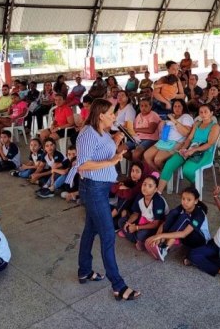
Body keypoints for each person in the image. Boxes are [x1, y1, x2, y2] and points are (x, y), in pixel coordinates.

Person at [71, 99, 140, 301]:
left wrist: (117, 141)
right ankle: (118, 285)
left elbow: (101, 151)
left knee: (90, 230)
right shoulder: (87, 135)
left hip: (100, 188)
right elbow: (83, 165)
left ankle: (84, 270)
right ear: (100, 115)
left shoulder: (102, 131)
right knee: (108, 235)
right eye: (111, 113)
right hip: (93, 189)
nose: (114, 116)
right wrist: (111, 161)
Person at [157, 104, 220, 194]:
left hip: (204, 153)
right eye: (201, 112)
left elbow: (209, 144)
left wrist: (193, 150)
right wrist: (183, 149)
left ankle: (196, 184)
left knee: (187, 170)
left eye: (206, 112)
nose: (203, 114)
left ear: (211, 113)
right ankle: (158, 192)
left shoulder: (215, 127)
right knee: (169, 164)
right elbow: (189, 138)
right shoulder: (197, 124)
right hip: (190, 149)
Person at [145, 186, 210, 262]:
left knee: (185, 218)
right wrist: (157, 235)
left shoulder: (199, 213)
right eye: (183, 199)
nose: (185, 202)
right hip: (186, 239)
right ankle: (160, 243)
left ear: (195, 201)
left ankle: (164, 249)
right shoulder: (183, 207)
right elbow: (166, 222)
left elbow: (183, 234)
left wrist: (159, 236)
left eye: (189, 200)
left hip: (200, 241)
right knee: (173, 213)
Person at [118, 175, 168, 251]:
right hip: (144, 220)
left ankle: (138, 239)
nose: (145, 187)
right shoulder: (140, 196)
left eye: (150, 186)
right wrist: (129, 222)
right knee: (121, 222)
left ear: (155, 190)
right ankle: (140, 240)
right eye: (144, 184)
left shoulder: (158, 201)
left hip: (157, 226)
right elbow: (136, 213)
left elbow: (156, 224)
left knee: (140, 235)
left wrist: (137, 227)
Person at [143, 99, 193, 172]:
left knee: (157, 160)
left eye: (179, 106)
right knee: (146, 156)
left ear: (183, 108)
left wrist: (173, 120)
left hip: (177, 143)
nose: (177, 108)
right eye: (175, 106)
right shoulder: (171, 117)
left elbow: (186, 133)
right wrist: (162, 124)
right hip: (164, 141)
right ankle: (159, 175)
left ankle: (164, 177)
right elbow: (161, 132)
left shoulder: (186, 117)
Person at [125, 98, 160, 162]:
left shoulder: (153, 115)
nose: (143, 108)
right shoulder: (139, 115)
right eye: (141, 106)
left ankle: (137, 166)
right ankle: (136, 163)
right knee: (121, 150)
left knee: (136, 154)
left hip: (149, 139)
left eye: (146, 106)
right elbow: (133, 128)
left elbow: (151, 130)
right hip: (137, 138)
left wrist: (137, 130)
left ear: (150, 106)